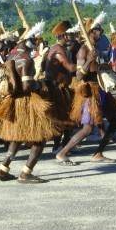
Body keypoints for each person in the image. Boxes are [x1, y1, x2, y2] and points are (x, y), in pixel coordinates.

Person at [0, 28, 62, 183]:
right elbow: (26, 87)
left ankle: (3, 169)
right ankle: (26, 173)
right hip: (26, 102)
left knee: (17, 137)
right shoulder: (26, 60)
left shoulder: (12, 55)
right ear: (29, 41)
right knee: (40, 137)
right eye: (37, 41)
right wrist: (40, 83)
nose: (39, 44)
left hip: (14, 103)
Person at [56, 14, 116, 165]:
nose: (101, 32)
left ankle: (98, 153)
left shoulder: (96, 48)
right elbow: (79, 75)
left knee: (115, 120)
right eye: (98, 29)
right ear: (91, 32)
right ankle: (62, 153)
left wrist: (104, 67)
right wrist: (89, 60)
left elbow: (96, 68)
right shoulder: (83, 51)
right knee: (88, 128)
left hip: (101, 90)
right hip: (90, 92)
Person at [45, 20, 77, 153]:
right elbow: (69, 67)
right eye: (70, 35)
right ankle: (59, 147)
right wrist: (86, 63)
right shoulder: (57, 50)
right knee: (63, 118)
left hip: (62, 88)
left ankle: (63, 146)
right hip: (56, 89)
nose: (73, 37)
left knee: (67, 117)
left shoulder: (62, 49)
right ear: (64, 36)